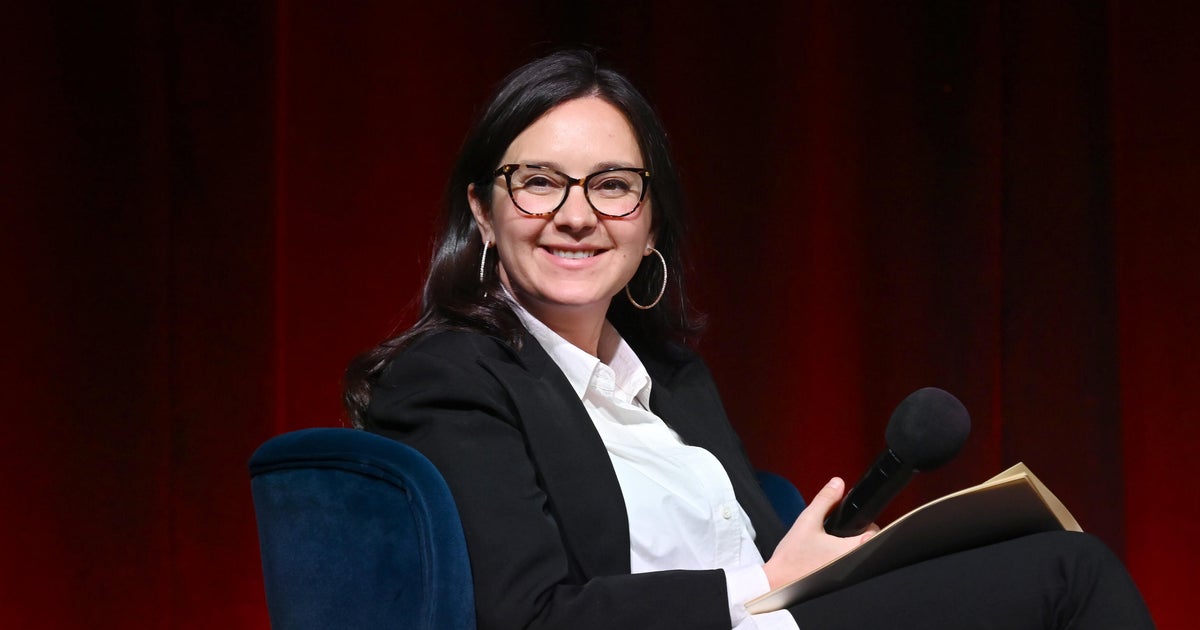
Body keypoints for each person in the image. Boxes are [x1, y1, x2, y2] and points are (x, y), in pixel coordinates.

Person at [344, 49, 1153, 629]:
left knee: (1044, 547)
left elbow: (778, 572)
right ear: (484, 212)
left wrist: (842, 564)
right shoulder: (449, 375)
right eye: (540, 182)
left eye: (614, 185)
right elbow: (531, 617)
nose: (577, 214)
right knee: (1069, 575)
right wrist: (764, 581)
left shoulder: (672, 378)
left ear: (650, 224)